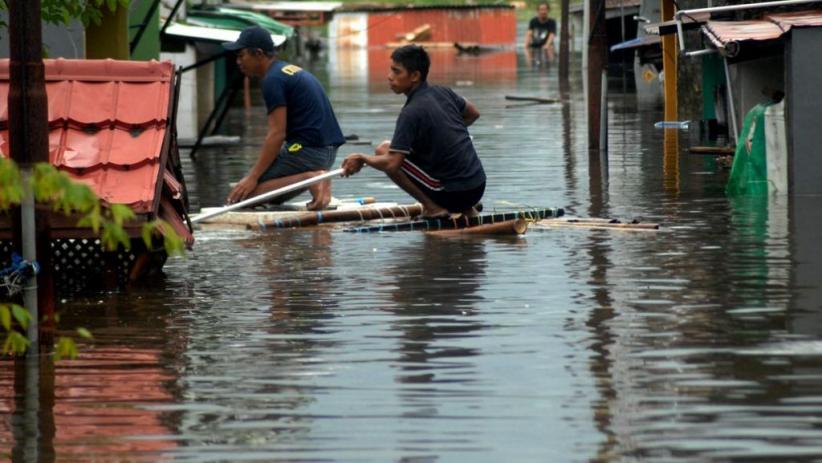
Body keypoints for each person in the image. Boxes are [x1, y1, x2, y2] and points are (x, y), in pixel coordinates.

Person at [341, 45, 485, 219]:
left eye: (396, 72)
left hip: (454, 193)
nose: (389, 77)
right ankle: (467, 209)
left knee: (383, 151)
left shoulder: (411, 112)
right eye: (391, 70)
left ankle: (433, 208)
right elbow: (473, 113)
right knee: (391, 148)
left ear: (415, 76)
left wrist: (363, 159)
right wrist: (442, 135)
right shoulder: (443, 92)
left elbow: (391, 164)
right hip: (478, 186)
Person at [222, 26, 345, 210]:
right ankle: (315, 179)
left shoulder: (272, 80)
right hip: (325, 151)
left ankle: (311, 178)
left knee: (243, 197)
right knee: (271, 196)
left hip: (309, 152)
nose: (238, 62)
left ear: (258, 53)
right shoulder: (286, 71)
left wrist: (252, 177)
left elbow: (276, 134)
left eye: (241, 56)